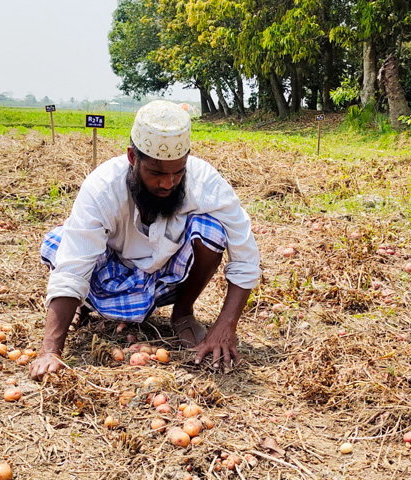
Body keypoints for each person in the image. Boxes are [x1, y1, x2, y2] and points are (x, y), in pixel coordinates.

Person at [30, 100, 260, 380]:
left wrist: (226, 325)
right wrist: (50, 351)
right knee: (61, 239)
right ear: (132, 157)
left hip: (167, 278)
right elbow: (73, 267)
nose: (168, 183)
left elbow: (246, 256)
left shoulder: (206, 184)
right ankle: (86, 308)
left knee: (212, 230)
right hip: (110, 272)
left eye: (178, 172)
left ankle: (183, 314)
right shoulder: (102, 187)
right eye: (157, 173)